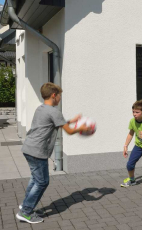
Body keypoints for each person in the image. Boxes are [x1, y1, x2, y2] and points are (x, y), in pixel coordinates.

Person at [16, 82, 91, 224]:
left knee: (35, 179)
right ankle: (26, 211)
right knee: (42, 182)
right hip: (38, 151)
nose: (60, 99)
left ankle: (26, 205)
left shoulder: (41, 108)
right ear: (53, 95)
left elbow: (55, 123)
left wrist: (71, 120)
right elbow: (69, 131)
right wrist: (81, 128)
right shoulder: (54, 111)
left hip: (29, 148)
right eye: (59, 96)